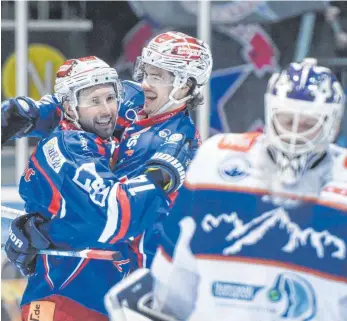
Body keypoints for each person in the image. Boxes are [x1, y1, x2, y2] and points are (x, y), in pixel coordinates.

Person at [104, 58, 347, 321]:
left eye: (307, 125)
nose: (295, 135)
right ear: (271, 112)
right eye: (287, 121)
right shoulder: (217, 160)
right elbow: (173, 284)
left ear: (331, 124)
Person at [2, 30, 213, 268]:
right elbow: (76, 106)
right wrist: (30, 115)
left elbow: (111, 215)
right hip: (110, 265)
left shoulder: (174, 143)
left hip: (142, 271)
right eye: (146, 72)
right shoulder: (135, 98)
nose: (145, 83)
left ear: (184, 87)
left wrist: (44, 234)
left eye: (158, 77)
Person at [4, 56, 191, 321]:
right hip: (64, 305)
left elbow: (133, 101)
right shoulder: (71, 149)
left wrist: (37, 113)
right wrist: (161, 174)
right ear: (70, 106)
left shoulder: (108, 124)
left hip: (101, 303)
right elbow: (116, 215)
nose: (106, 110)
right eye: (94, 101)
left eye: (110, 98)